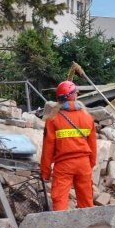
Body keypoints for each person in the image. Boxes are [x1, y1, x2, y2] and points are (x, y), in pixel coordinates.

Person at [40, 81, 97, 211]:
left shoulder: (53, 119)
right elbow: (93, 146)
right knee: (86, 201)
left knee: (59, 199)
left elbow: (47, 149)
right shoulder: (88, 117)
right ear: (74, 95)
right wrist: (90, 164)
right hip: (84, 164)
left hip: (64, 165)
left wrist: (45, 173)